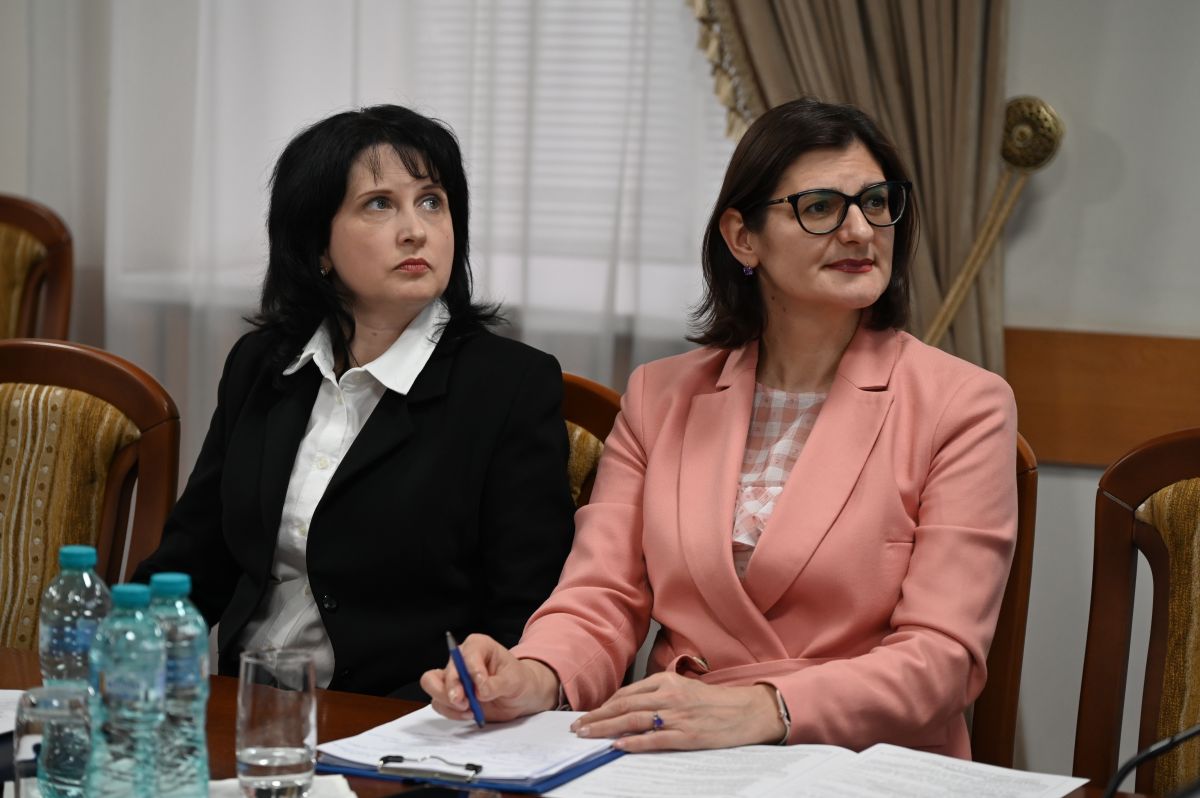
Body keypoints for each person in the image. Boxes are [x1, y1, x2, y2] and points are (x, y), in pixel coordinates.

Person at [421, 98, 1017, 757]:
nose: (859, 230)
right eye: (821, 207)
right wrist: (532, 677)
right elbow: (601, 597)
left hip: (867, 762)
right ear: (742, 237)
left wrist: (765, 706)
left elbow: (943, 657)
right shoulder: (660, 395)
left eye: (876, 202)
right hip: (685, 758)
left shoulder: (965, 405)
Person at [134, 105, 576, 700]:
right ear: (318, 243)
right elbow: (197, 555)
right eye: (379, 204)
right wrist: (119, 650)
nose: (415, 230)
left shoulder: (509, 385)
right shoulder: (263, 364)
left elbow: (524, 611)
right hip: (247, 706)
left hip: (406, 718)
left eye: (431, 202)